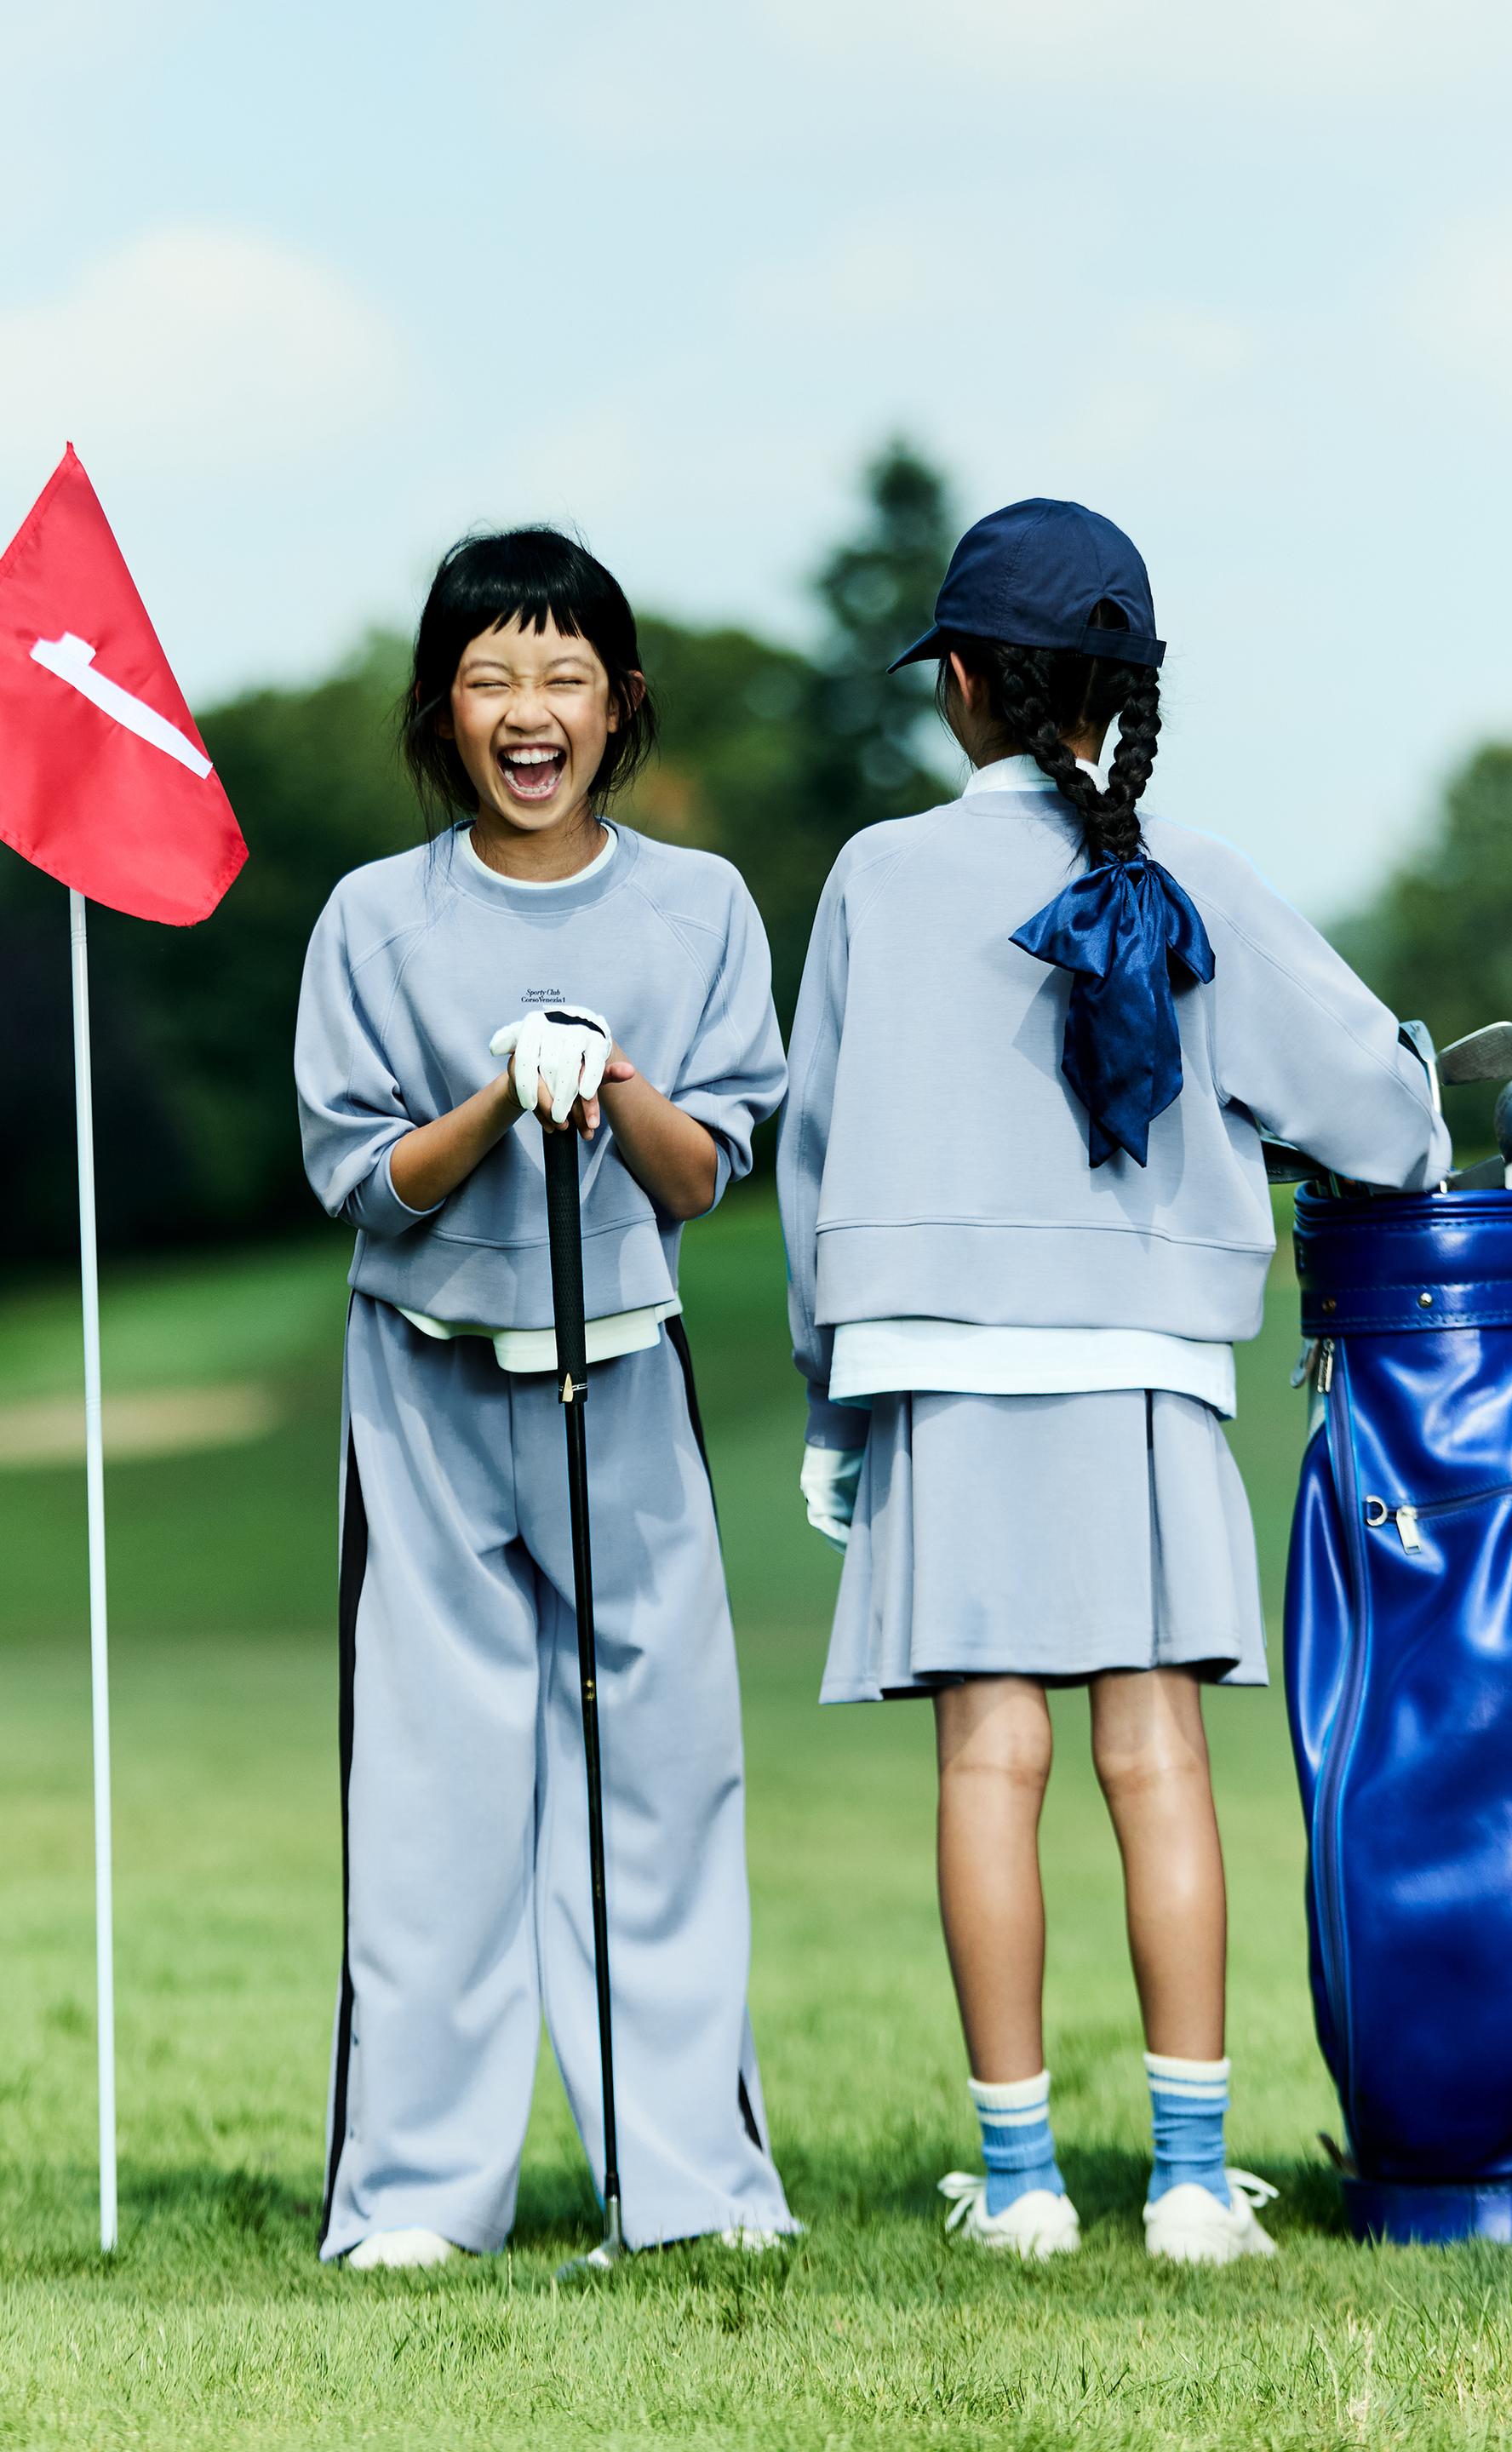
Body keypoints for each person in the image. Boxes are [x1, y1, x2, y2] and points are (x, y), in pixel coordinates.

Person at [777, 498, 1450, 2266]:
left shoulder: (874, 878)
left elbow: (815, 1161)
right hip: (1143, 1367)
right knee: (1156, 1754)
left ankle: (1019, 2191)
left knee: (987, 1760)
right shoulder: (1197, 871)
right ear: (1122, 692)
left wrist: (831, 1401)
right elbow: (1376, 1113)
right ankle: (1188, 2185)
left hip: (933, 1363)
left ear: (964, 682)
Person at [295, 527, 796, 2267]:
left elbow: (702, 1169)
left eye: (563, 676)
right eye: (491, 677)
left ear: (619, 702)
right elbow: (369, 1184)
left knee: (663, 1783)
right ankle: (416, 2200)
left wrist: (614, 1082)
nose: (529, 710)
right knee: (430, 1798)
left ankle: (692, 2186)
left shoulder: (698, 906)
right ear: (442, 711)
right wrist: (503, 1095)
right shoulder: (375, 917)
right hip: (425, 1398)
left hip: (624, 1379)